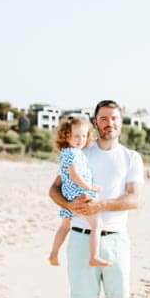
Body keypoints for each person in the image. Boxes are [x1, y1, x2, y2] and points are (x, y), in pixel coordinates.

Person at [48, 100, 143, 298]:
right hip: (80, 238)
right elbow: (53, 189)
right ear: (95, 121)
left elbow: (134, 199)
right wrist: (71, 205)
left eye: (114, 118)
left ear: (121, 122)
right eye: (103, 118)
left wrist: (100, 205)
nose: (109, 123)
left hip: (116, 239)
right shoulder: (79, 152)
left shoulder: (131, 158)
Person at [49, 115, 108, 268]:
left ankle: (54, 253)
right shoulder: (72, 153)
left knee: (64, 226)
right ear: (66, 136)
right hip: (78, 193)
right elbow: (74, 175)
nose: (80, 139)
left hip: (70, 194)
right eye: (76, 136)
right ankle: (94, 256)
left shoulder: (71, 152)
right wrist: (89, 187)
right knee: (97, 225)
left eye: (83, 135)